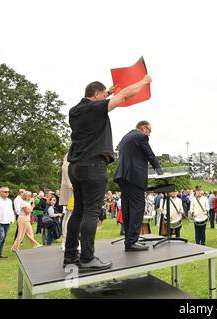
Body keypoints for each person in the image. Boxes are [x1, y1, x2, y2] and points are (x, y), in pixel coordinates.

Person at [64, 74, 151, 272]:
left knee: (78, 210)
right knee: (91, 212)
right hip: (94, 165)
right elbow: (123, 97)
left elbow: (101, 100)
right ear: (96, 96)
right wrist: (143, 82)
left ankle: (70, 256)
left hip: (76, 166)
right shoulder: (95, 107)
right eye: (103, 96)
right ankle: (87, 258)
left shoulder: (75, 110)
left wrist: (108, 92)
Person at [114, 120, 163, 251]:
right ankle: (132, 241)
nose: (150, 134)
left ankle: (129, 240)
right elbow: (150, 155)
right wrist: (160, 171)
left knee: (128, 209)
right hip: (134, 177)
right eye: (149, 130)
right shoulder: (141, 136)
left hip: (123, 177)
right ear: (143, 127)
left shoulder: (126, 137)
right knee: (137, 208)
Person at [59, 153, 74, 252]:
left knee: (71, 215)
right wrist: (70, 184)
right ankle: (65, 242)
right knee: (69, 214)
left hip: (77, 187)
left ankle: (72, 241)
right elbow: (65, 167)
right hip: (71, 188)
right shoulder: (71, 151)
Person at [0, 186, 15, 258]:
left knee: (3, 238)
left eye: (8, 192)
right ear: (0, 192)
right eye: (5, 192)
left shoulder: (9, 201)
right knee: (1, 237)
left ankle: (0, 254)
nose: (7, 193)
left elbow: (11, 210)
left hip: (7, 222)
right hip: (0, 222)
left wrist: (12, 219)